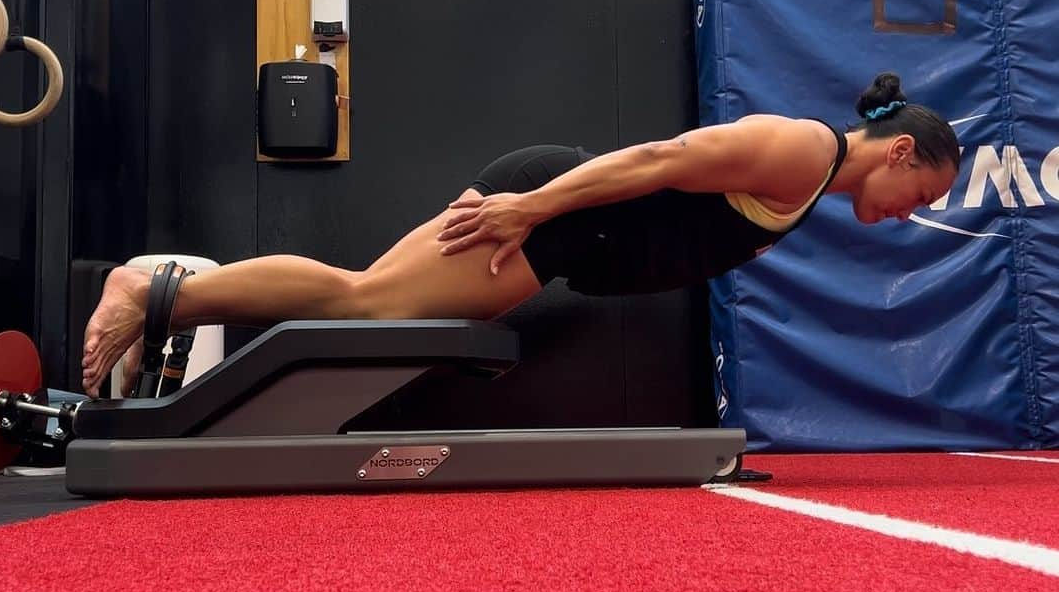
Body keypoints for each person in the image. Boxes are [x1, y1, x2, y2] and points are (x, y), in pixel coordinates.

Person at [81, 72, 960, 398]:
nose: (910, 210)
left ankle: (169, 289)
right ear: (904, 149)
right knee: (363, 303)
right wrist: (532, 207)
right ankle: (155, 293)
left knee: (362, 298)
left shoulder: (809, 182)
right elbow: (657, 158)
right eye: (923, 190)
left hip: (563, 233)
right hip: (554, 218)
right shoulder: (800, 149)